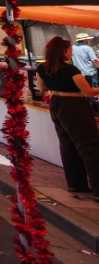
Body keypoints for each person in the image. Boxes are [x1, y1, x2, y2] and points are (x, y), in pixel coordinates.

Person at [36, 37, 99, 201]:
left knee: (68, 145)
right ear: (62, 51)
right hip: (74, 106)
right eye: (69, 50)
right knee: (89, 146)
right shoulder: (70, 70)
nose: (71, 53)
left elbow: (42, 88)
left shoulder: (42, 68)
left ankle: (76, 184)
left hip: (56, 104)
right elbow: (89, 92)